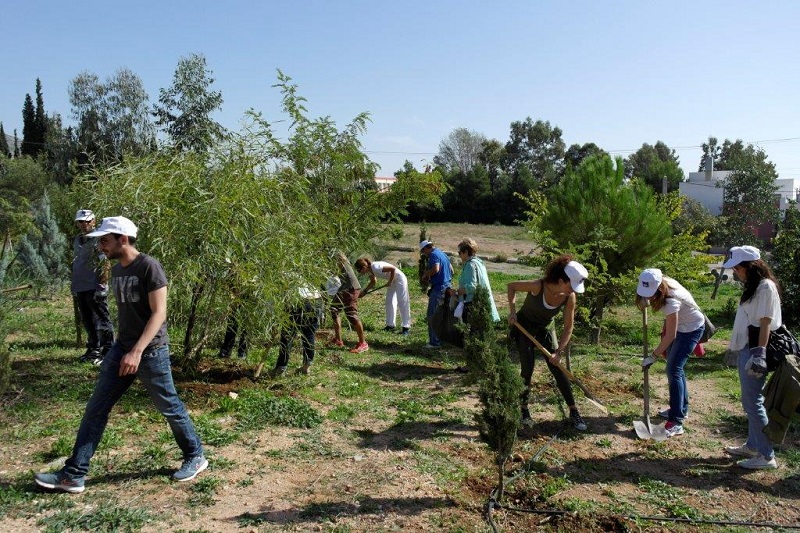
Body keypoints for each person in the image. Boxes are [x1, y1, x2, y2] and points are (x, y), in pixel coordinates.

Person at [34, 216, 207, 493]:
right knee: (96, 409)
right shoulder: (116, 270)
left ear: (122, 239)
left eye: (105, 240)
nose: (100, 245)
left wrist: (137, 351)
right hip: (121, 350)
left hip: (150, 352)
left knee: (170, 408)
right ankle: (74, 474)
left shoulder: (149, 266)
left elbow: (159, 313)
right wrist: (122, 348)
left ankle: (195, 455)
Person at [507, 255, 589, 431]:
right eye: (571, 286)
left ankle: (573, 411)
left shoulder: (569, 297)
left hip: (545, 328)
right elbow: (511, 286)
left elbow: (568, 327)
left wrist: (559, 352)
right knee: (527, 368)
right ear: (560, 281)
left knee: (557, 367)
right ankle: (524, 410)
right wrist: (512, 311)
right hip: (525, 327)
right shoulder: (538, 286)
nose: (572, 290)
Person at [722, 245, 781, 469]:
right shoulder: (754, 286)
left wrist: (759, 354)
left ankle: (766, 455)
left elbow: (765, 322)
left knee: (754, 402)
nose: (736, 272)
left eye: (738, 268)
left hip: (755, 349)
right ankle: (753, 445)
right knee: (749, 401)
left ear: (751, 266)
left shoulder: (765, 287)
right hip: (748, 346)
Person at [635, 268, 705, 438]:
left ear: (659, 289)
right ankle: (681, 409)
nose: (650, 298)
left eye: (651, 295)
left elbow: (671, 334)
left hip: (691, 329)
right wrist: (645, 299)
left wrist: (653, 356)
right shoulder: (663, 281)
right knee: (676, 369)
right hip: (681, 326)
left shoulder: (671, 300)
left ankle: (676, 422)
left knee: (673, 370)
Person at [71, 209, 114, 365]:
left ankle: (108, 351)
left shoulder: (99, 238)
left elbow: (105, 262)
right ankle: (93, 349)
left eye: (88, 221)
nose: (84, 224)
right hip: (80, 286)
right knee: (88, 320)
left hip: (94, 286)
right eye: (81, 221)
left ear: (94, 221)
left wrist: (102, 286)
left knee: (102, 319)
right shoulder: (78, 239)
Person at [275, 283, 323, 375]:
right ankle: (307, 366)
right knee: (309, 334)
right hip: (316, 301)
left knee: (287, 335)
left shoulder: (281, 277)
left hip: (298, 302)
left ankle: (281, 368)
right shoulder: (304, 276)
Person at [354, 257, 411, 336]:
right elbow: (373, 282)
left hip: (400, 278)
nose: (359, 272)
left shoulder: (376, 267)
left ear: (363, 267)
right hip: (392, 280)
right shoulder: (369, 270)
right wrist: (364, 292)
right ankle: (390, 325)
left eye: (358, 270)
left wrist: (390, 282)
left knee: (402, 301)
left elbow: (393, 269)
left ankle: (406, 327)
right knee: (389, 302)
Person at [328, 251, 369, 354]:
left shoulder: (340, 258)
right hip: (343, 288)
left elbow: (339, 257)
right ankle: (338, 340)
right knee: (334, 309)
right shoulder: (337, 260)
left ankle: (363, 343)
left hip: (351, 288)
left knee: (351, 315)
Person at [456, 238, 500, 323]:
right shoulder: (479, 262)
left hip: (472, 304)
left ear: (466, 252)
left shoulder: (470, 265)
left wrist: (458, 292)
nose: (459, 255)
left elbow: (472, 287)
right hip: (481, 302)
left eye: (460, 253)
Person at [420, 240, 453, 349]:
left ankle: (434, 342)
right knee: (442, 315)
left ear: (426, 248)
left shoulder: (433, 255)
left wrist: (426, 274)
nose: (424, 254)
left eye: (423, 251)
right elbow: (451, 270)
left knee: (432, 315)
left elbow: (436, 268)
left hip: (439, 289)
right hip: (447, 286)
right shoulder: (441, 253)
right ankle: (442, 339)